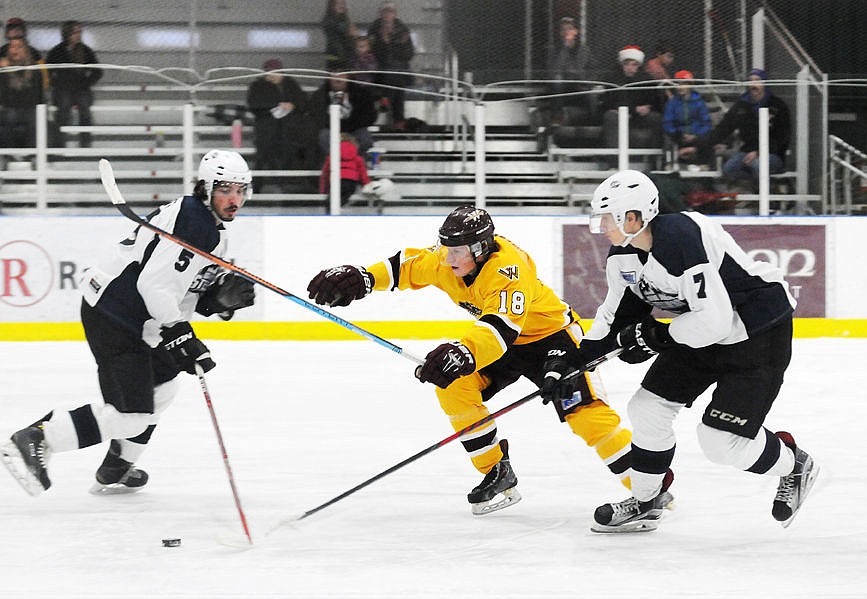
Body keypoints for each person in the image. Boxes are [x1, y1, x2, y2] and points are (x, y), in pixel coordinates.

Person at [306, 206, 637, 515]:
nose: (448, 258)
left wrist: (463, 352)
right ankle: (496, 470)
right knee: (454, 386)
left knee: (585, 415)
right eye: (446, 248)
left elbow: (500, 330)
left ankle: (647, 487)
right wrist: (364, 277)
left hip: (552, 339)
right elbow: (405, 266)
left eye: (458, 252)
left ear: (480, 249)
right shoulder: (446, 258)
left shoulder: (508, 269)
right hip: (502, 341)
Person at [542, 170, 818, 532]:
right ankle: (646, 500)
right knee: (647, 408)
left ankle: (794, 464)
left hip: (757, 333)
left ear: (633, 218)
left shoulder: (681, 237)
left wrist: (655, 335)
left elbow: (715, 321)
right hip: (700, 330)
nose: (602, 226)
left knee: (720, 442)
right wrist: (572, 363)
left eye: (607, 218)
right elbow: (615, 319)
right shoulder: (623, 256)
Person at [1, 150, 257, 496]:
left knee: (163, 385)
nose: (234, 199)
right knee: (132, 415)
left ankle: (117, 466)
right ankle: (37, 438)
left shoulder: (205, 224)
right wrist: (180, 334)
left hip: (132, 316)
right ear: (207, 187)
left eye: (241, 190)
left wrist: (217, 300)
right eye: (226, 190)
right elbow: (153, 286)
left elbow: (179, 289)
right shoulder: (196, 223)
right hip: (116, 315)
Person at [682, 68, 790, 187]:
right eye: (750, 81)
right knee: (729, 169)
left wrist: (759, 153)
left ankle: (766, 194)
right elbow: (721, 130)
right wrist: (696, 144)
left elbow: (782, 137)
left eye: (757, 80)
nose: (753, 84)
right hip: (747, 152)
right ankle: (753, 190)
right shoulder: (741, 106)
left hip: (773, 153)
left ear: (765, 83)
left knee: (758, 165)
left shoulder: (777, 105)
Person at [246, 58, 312, 191]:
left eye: (276, 72)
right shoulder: (258, 86)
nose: (273, 76)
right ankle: (260, 184)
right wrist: (275, 106)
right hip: (267, 125)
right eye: (270, 72)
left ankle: (291, 182)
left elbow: (303, 102)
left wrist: (292, 105)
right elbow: (254, 105)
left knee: (295, 144)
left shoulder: (290, 84)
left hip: (290, 126)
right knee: (266, 146)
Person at [599, 45, 664, 157]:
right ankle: (614, 161)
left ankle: (655, 160)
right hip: (619, 116)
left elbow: (655, 100)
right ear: (622, 64)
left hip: (639, 117)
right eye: (627, 64)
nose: (630, 67)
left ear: (639, 66)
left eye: (634, 64)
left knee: (657, 118)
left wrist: (649, 107)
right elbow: (608, 101)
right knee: (610, 117)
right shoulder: (612, 79)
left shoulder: (646, 79)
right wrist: (632, 109)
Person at [46, 20, 103, 148]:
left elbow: (98, 71)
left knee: (85, 110)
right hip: (63, 89)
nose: (78, 35)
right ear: (67, 33)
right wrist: (57, 83)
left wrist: (86, 83)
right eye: (75, 32)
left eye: (79, 32)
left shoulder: (86, 51)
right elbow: (47, 72)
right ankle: (59, 144)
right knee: (63, 110)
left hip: (81, 89)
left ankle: (85, 143)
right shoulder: (57, 51)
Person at [310, 67, 377, 160]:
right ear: (329, 77)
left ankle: (352, 161)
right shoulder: (320, 94)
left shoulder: (361, 93)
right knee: (323, 137)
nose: (338, 77)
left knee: (365, 139)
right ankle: (337, 161)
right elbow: (316, 117)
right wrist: (338, 131)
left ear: (348, 76)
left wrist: (347, 131)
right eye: (334, 74)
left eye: (341, 74)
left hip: (354, 130)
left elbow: (370, 116)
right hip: (330, 130)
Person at [367, 1, 414, 129]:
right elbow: (370, 52)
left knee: (396, 73)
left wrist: (394, 45)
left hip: (399, 70)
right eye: (385, 11)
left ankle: (386, 98)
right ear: (380, 13)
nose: (388, 14)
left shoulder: (403, 30)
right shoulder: (374, 29)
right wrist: (384, 42)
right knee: (395, 78)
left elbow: (409, 54)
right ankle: (399, 121)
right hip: (380, 72)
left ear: (395, 14)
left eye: (390, 11)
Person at [543, 16, 596, 128]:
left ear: (576, 31)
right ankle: (557, 118)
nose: (567, 32)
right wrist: (564, 49)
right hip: (562, 85)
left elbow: (591, 70)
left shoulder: (584, 50)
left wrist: (587, 82)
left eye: (570, 29)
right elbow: (553, 71)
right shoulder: (554, 50)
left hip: (579, 84)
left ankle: (593, 120)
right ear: (560, 33)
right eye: (564, 29)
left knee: (593, 93)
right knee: (557, 81)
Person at [0, 37, 44, 148]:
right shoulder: (3, 68)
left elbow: (37, 93)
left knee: (34, 118)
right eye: (12, 46)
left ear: (25, 50)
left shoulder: (34, 68)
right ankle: (9, 153)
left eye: (19, 47)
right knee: (9, 116)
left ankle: (31, 153)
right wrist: (6, 71)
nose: (15, 50)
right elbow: (4, 94)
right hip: (9, 106)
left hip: (29, 107)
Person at [663, 70, 712, 166]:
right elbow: (668, 122)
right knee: (667, 139)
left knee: (707, 138)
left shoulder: (699, 102)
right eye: (678, 84)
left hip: (697, 136)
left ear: (690, 85)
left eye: (684, 84)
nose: (680, 87)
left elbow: (706, 123)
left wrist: (696, 135)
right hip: (679, 136)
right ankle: (669, 165)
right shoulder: (672, 103)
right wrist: (679, 134)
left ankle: (704, 165)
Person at [319, 133, 371, 203]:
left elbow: (325, 174)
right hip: (351, 182)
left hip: (336, 180)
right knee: (342, 200)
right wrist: (368, 187)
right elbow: (363, 175)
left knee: (332, 203)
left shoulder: (332, 157)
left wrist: (323, 190)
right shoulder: (358, 158)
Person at [321, 0, 358, 71]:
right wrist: (350, 31)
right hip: (335, 55)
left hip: (346, 56)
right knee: (334, 74)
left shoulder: (345, 19)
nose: (341, 5)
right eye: (338, 3)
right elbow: (339, 30)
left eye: (343, 3)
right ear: (332, 5)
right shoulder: (328, 20)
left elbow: (353, 35)